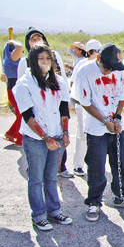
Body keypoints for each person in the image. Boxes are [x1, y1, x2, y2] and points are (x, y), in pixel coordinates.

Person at [73, 43, 124, 222]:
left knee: (119, 162)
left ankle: (122, 195)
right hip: (96, 128)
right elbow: (85, 102)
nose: (110, 71)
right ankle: (94, 202)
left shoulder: (118, 71)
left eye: (114, 68)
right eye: (107, 67)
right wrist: (105, 121)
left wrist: (118, 118)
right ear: (98, 59)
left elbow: (121, 98)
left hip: (115, 126)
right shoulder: (85, 72)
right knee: (96, 166)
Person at [12, 44, 72, 231]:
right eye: (41, 59)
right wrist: (46, 138)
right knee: (36, 178)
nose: (45, 62)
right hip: (36, 139)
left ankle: (54, 210)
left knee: (52, 177)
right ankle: (39, 215)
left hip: (56, 136)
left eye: (48, 59)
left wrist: (65, 133)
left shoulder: (60, 81)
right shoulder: (24, 83)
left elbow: (64, 109)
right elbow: (28, 116)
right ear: (33, 61)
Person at [16, 27, 73, 178]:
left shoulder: (54, 57)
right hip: (35, 115)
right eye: (32, 39)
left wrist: (64, 103)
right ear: (28, 43)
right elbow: (22, 86)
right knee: (37, 169)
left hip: (54, 110)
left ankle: (62, 167)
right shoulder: (24, 62)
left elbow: (61, 80)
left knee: (53, 165)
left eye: (38, 38)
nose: (36, 41)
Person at [69, 39, 102, 176]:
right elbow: (73, 85)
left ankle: (93, 163)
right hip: (83, 105)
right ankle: (78, 164)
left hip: (96, 106)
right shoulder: (82, 64)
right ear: (93, 52)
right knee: (82, 134)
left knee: (95, 134)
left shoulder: (99, 65)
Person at [2, 39, 24, 146]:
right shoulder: (12, 59)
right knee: (21, 114)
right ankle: (19, 139)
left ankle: (11, 134)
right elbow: (19, 47)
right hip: (14, 90)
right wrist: (12, 41)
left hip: (12, 89)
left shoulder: (7, 60)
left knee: (21, 114)